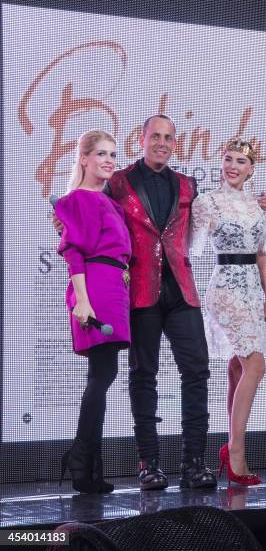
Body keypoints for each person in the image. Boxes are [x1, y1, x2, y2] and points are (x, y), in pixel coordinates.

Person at [55, 115, 266, 490]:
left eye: (168, 138)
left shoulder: (187, 185)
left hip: (183, 290)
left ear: (175, 144)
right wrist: (60, 222)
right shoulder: (118, 183)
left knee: (197, 372)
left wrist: (254, 201)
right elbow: (84, 210)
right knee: (143, 377)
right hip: (140, 291)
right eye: (155, 136)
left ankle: (194, 464)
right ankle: (149, 464)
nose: (162, 142)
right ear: (141, 140)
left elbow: (221, 209)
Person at [190, 137, 266, 485]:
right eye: (228, 159)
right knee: (256, 365)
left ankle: (231, 447)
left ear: (251, 169)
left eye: (241, 161)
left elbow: (261, 253)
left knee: (236, 367)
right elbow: (187, 241)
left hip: (254, 290)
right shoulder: (208, 202)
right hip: (225, 287)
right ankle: (236, 454)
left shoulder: (257, 206)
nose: (233, 166)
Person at [57, 130, 131, 493]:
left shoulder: (107, 201)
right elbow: (74, 252)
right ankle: (82, 460)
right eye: (101, 153)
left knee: (101, 376)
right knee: (102, 375)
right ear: (83, 159)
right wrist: (83, 301)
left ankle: (88, 469)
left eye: (112, 154)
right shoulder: (81, 199)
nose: (108, 160)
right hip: (96, 287)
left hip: (113, 285)